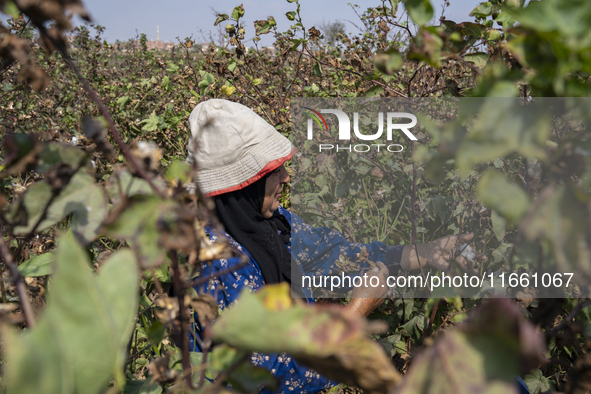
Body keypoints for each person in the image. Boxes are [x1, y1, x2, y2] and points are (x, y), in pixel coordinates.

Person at [186, 99, 480, 393]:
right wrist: (354, 313)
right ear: (245, 185)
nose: (287, 178)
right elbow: (269, 376)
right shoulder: (218, 263)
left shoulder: (272, 225)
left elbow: (333, 255)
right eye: (274, 172)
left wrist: (423, 253)